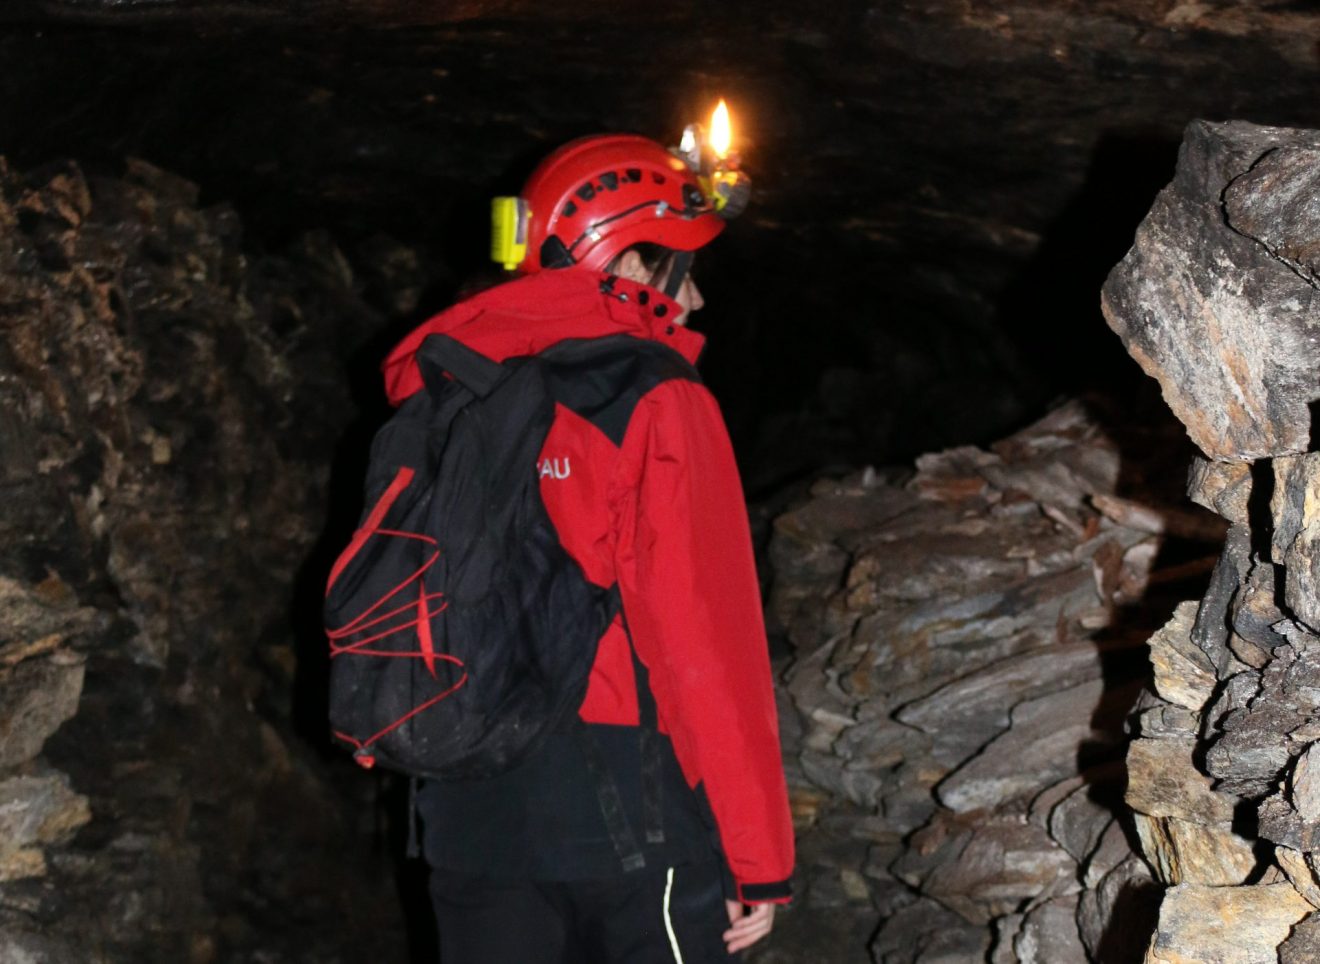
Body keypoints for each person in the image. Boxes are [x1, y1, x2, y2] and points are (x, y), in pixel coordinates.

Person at [379, 130, 794, 962]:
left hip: (464, 805)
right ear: (632, 266)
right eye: (685, 267)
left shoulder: (439, 386)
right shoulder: (654, 398)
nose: (699, 300)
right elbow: (704, 642)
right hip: (626, 820)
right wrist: (760, 858)